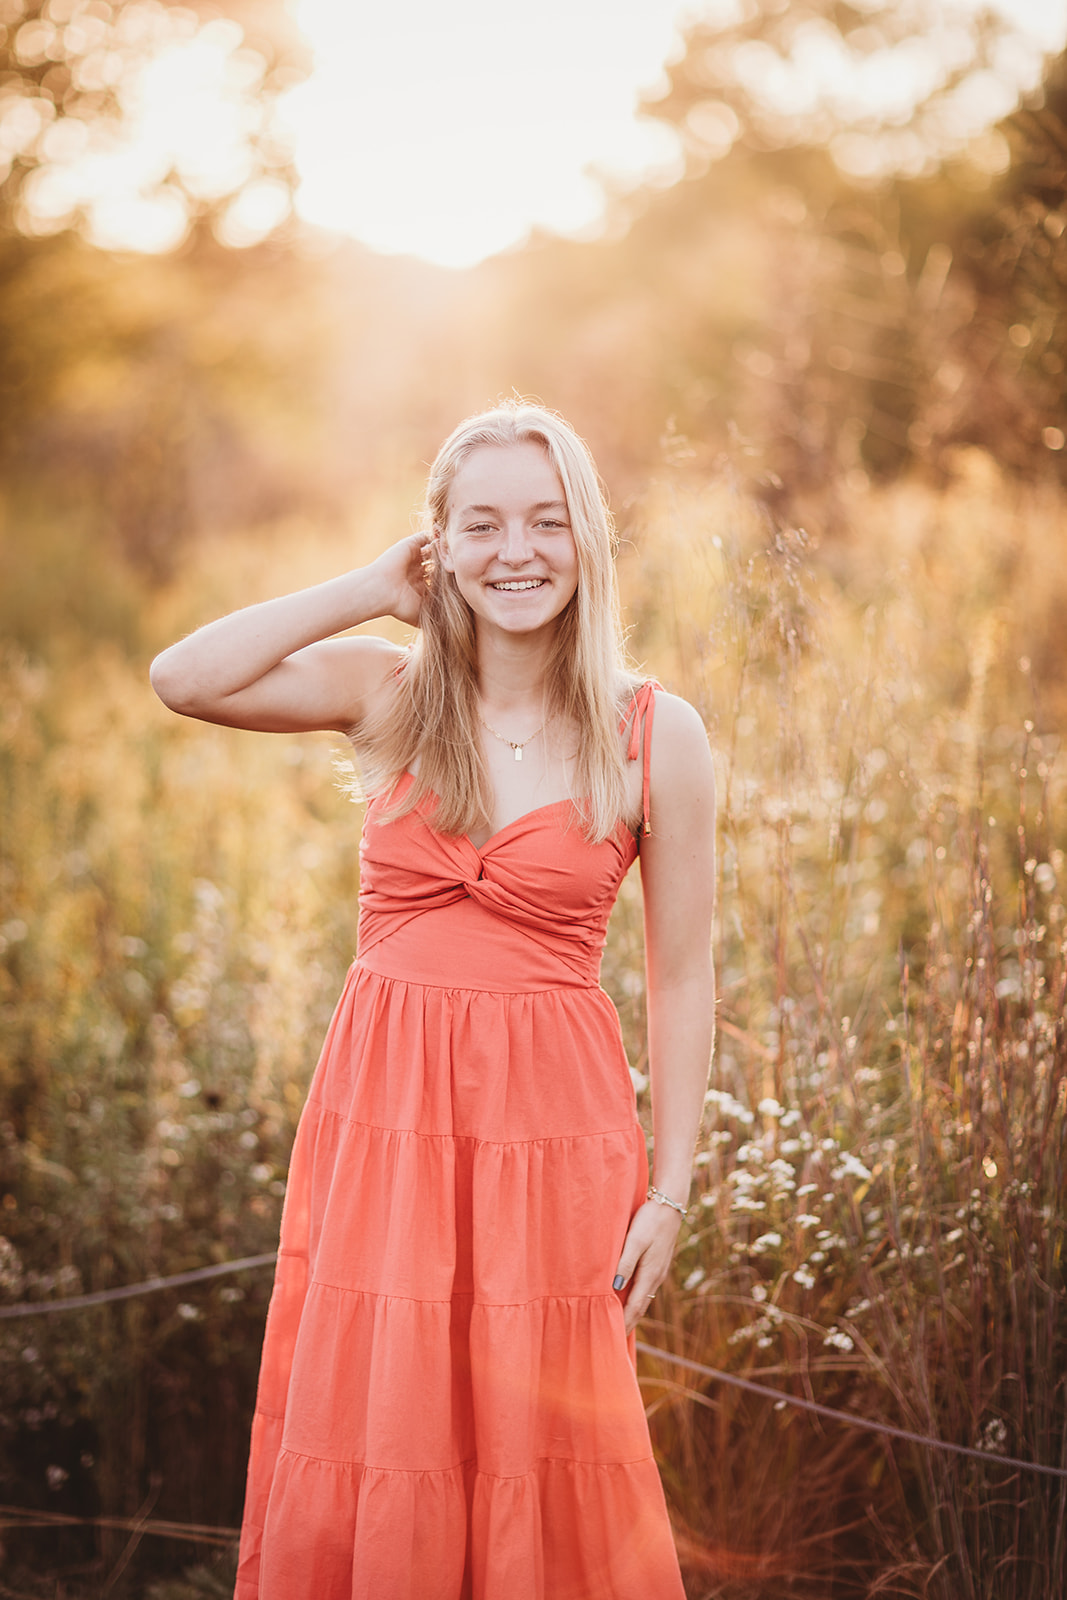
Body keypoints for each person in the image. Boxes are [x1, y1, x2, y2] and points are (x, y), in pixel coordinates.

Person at [150, 401, 716, 1600]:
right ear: (440, 547)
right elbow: (184, 678)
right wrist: (366, 586)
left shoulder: (655, 734)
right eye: (482, 525)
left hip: (551, 1137)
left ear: (588, 541)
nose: (517, 552)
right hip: (384, 1124)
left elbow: (679, 974)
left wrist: (670, 1187)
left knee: (541, 1432)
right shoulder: (388, 693)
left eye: (547, 522)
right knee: (382, 1413)